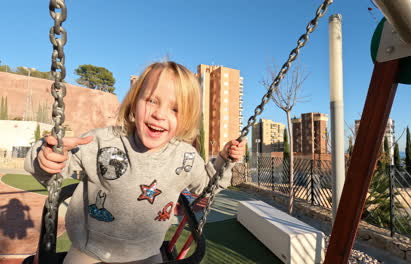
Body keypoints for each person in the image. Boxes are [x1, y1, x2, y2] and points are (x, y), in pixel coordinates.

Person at [25, 61, 246, 264]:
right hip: (89, 248)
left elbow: (207, 187)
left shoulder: (185, 157)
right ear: (134, 103)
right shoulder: (102, 141)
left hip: (147, 252)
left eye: (175, 109)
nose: (159, 114)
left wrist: (224, 160)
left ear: (187, 117)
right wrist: (47, 157)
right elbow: (57, 170)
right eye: (151, 100)